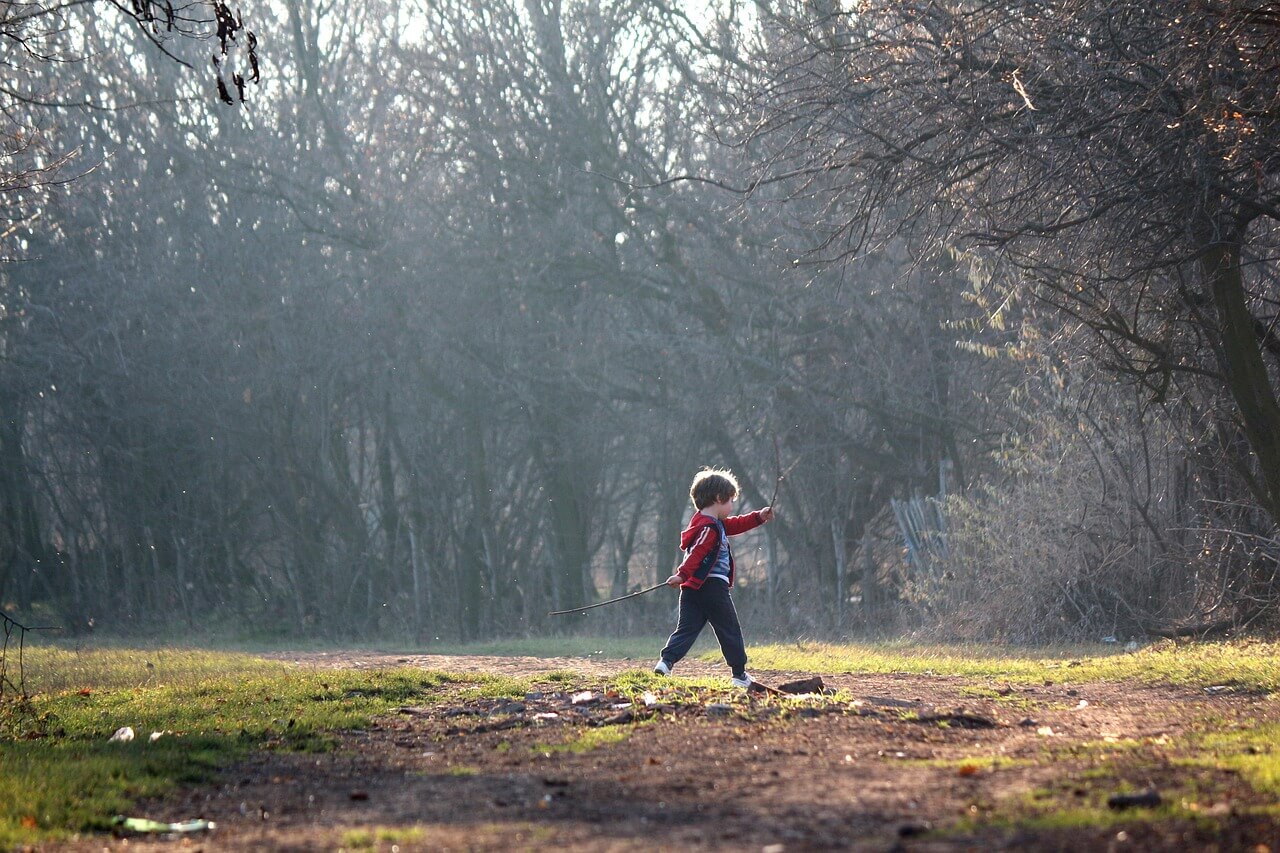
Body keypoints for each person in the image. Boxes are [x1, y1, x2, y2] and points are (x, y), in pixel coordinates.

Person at [653, 468, 774, 687]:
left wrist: (758, 517)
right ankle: (739, 675)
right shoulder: (709, 528)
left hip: (691, 590)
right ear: (719, 498)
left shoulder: (708, 523)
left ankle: (666, 661)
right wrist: (681, 574)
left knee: (686, 629)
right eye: (730, 501)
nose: (731, 507)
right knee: (729, 629)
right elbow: (697, 553)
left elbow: (737, 523)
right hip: (712, 588)